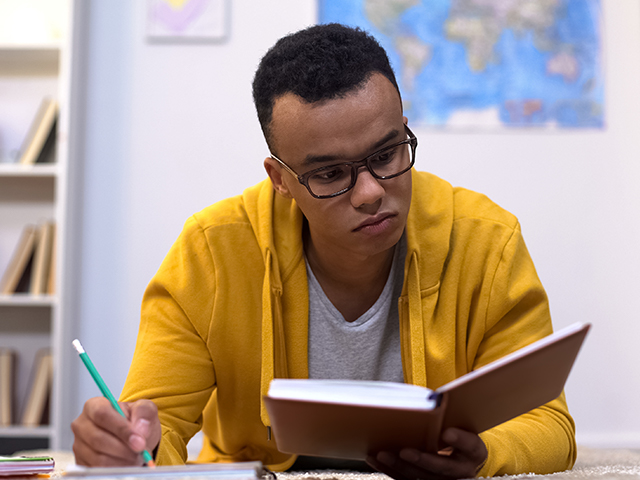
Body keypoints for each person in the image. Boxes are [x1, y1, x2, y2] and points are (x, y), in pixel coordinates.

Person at [71, 23, 576, 478]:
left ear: (405, 128)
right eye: (331, 174)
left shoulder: (485, 240)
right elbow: (157, 426)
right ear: (280, 180)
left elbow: (550, 425)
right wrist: (128, 445)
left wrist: (484, 454)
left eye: (387, 154)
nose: (371, 192)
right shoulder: (212, 252)